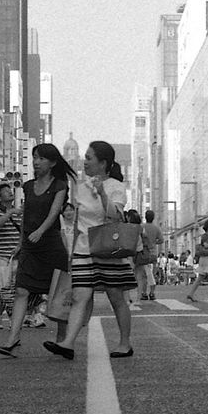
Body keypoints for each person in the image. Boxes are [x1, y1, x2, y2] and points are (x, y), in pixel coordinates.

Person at [43, 141, 136, 359]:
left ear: (103, 163)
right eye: (84, 157)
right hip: (83, 250)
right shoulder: (80, 187)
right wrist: (71, 252)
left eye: (89, 158)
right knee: (79, 297)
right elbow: (76, 222)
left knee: (116, 297)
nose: (85, 162)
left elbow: (115, 216)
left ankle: (125, 343)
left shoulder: (116, 186)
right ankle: (68, 343)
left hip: (108, 249)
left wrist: (103, 193)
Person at [0, 143, 76, 356]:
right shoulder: (28, 186)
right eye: (34, 157)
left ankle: (62, 341)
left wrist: (41, 231)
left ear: (52, 163)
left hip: (51, 245)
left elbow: (53, 213)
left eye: (41, 158)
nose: (36, 161)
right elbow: (26, 216)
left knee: (58, 294)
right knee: (22, 290)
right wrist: (21, 242)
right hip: (31, 247)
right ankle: (12, 338)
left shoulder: (60, 185)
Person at [0, 185, 23, 328]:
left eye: (10, 191)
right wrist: (9, 213)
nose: (10, 193)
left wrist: (20, 246)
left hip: (17, 254)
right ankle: (10, 318)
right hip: (1, 255)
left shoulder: (19, 213)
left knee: (12, 288)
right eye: (6, 192)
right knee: (4, 287)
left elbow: (24, 231)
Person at [137, 209, 164, 300]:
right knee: (153, 273)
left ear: (145, 217)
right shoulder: (156, 228)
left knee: (144, 274)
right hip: (153, 253)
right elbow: (161, 240)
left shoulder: (142, 227)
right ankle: (152, 293)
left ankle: (144, 293)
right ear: (153, 218)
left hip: (144, 252)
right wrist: (154, 242)